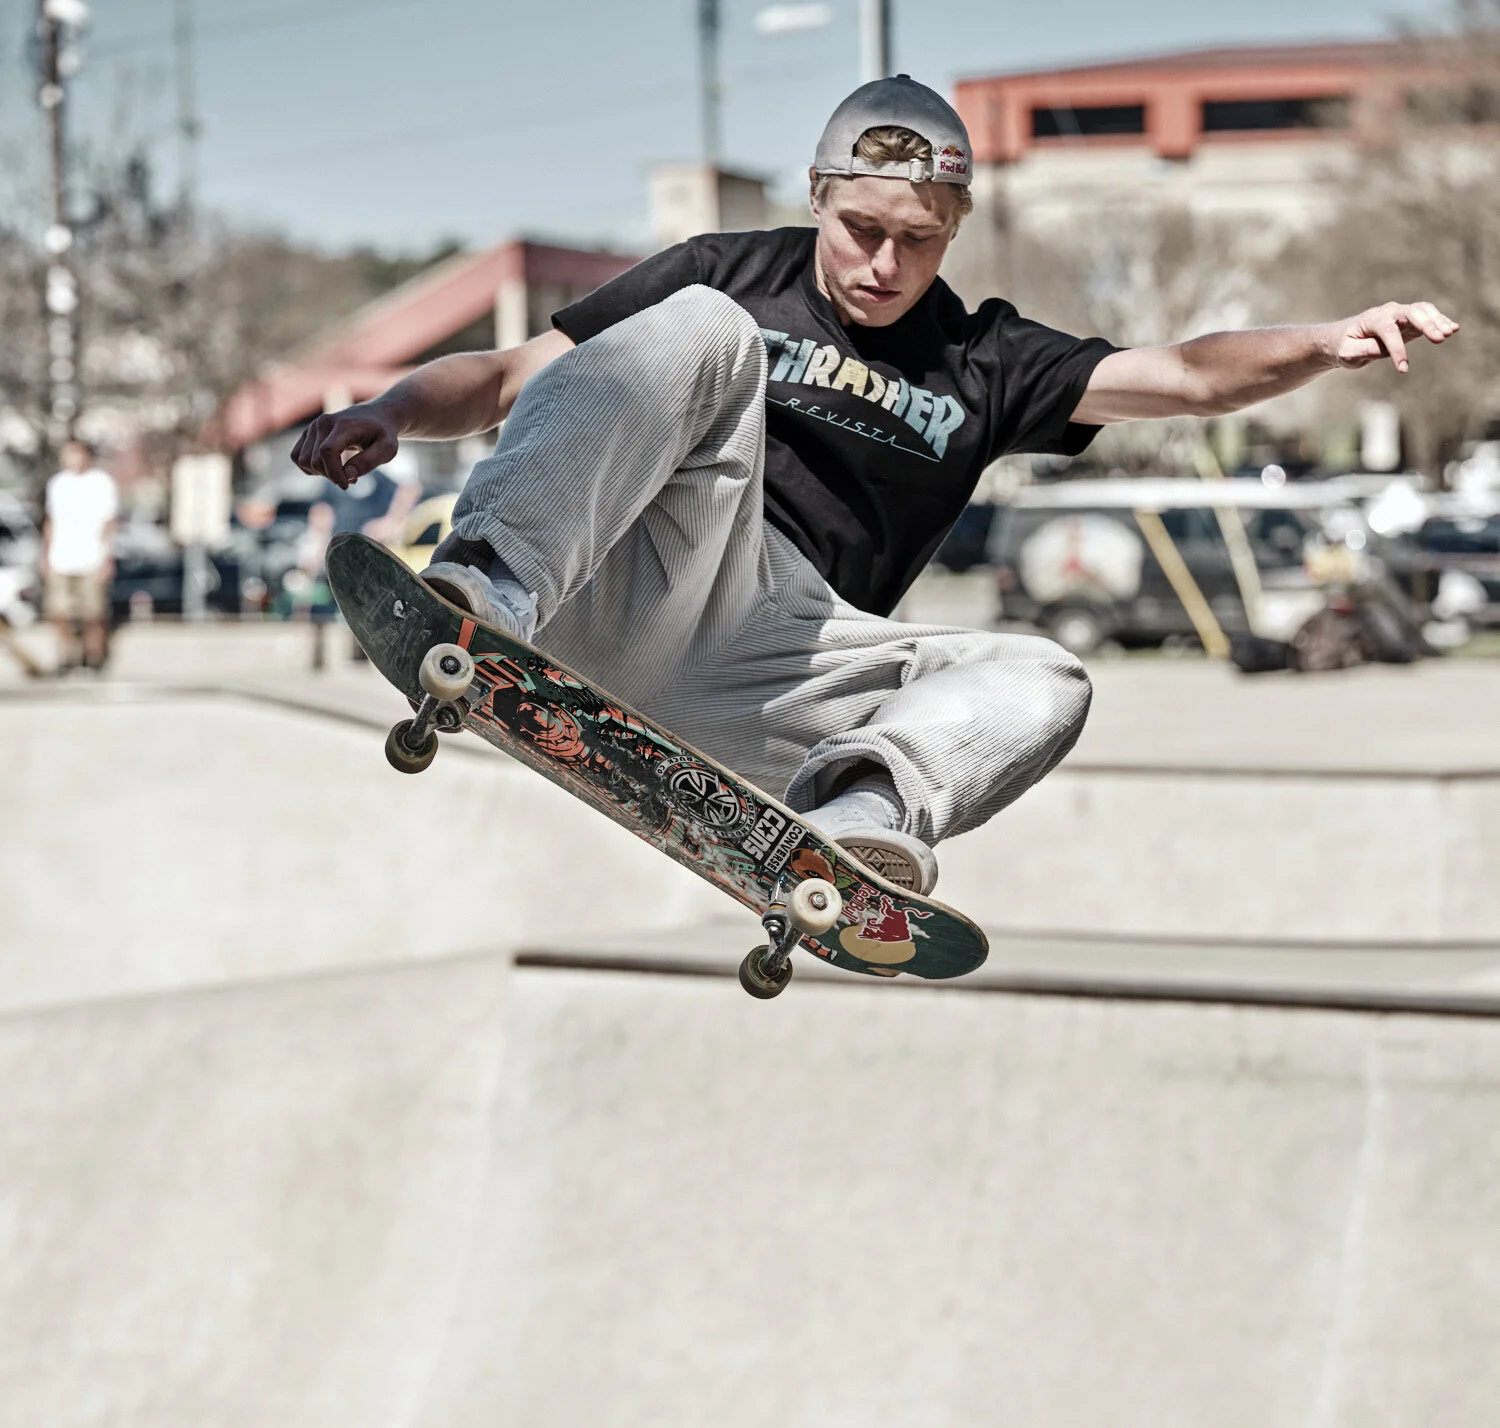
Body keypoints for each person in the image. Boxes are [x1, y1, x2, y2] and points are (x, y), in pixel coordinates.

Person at [292, 75, 1457, 893]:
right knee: (697, 328)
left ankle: (851, 825)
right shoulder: (728, 272)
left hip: (785, 673)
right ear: (817, 196)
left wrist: (1321, 341)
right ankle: (485, 592)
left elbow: (1191, 379)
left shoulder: (987, 360)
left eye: (919, 240)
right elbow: (510, 378)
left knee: (1044, 670)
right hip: (627, 569)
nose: (884, 265)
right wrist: (391, 409)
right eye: (861, 229)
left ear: (954, 229)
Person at [43, 439, 118, 675]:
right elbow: (51, 521)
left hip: (91, 556)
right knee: (59, 610)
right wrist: (45, 553)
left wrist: (107, 556)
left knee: (93, 613)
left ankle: (93, 655)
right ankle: (66, 654)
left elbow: (110, 522)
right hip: (61, 556)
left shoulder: (101, 483)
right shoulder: (57, 484)